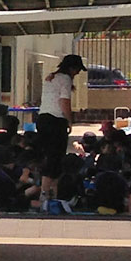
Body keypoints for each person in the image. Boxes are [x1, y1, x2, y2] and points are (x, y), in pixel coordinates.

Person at [36, 54, 84, 201]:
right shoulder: (65, 79)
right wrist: (70, 121)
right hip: (55, 120)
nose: (78, 73)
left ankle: (51, 190)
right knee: (55, 157)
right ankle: (46, 192)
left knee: (49, 155)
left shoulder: (51, 77)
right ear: (72, 68)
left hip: (43, 118)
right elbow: (64, 102)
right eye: (77, 70)